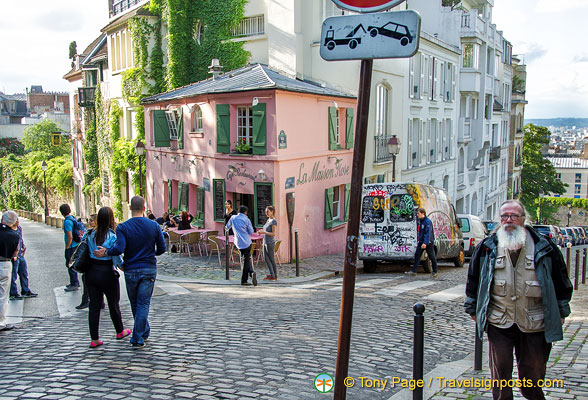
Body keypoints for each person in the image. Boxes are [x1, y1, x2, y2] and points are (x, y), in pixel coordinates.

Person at [465, 200, 573, 400]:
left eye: (514, 216)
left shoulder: (544, 246)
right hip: (499, 320)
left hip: (535, 321)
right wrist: (473, 308)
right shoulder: (488, 247)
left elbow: (561, 281)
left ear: (524, 219)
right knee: (500, 374)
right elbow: (474, 279)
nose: (509, 221)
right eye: (504, 216)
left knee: (531, 377)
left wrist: (561, 311)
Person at [93, 196, 166, 349]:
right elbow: (162, 248)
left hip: (131, 269)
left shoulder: (123, 227)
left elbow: (119, 249)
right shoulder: (153, 226)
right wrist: (151, 253)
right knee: (143, 303)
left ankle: (138, 336)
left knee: (135, 303)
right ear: (144, 208)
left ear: (131, 208)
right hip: (148, 268)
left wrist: (106, 251)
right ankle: (142, 332)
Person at [85, 207, 131, 348]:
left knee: (94, 306)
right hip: (106, 272)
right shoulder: (112, 236)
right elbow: (116, 259)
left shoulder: (89, 234)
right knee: (113, 304)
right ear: (112, 219)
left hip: (91, 272)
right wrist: (125, 268)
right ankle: (119, 331)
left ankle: (94, 339)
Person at [226, 205, 257, 286]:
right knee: (246, 260)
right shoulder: (246, 219)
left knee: (246, 260)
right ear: (245, 212)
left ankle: (251, 273)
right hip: (247, 242)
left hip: (238, 243)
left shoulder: (233, 218)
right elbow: (251, 231)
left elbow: (227, 227)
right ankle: (245, 279)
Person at [9, 217, 37, 300]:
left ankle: (25, 290)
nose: (18, 221)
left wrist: (23, 247)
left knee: (24, 273)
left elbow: (21, 239)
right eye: (16, 220)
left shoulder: (19, 228)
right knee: (13, 275)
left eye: (18, 219)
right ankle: (13, 293)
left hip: (20, 254)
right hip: (14, 256)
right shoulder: (9, 231)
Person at [0, 211, 20, 332]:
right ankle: (1, 322)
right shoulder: (14, 235)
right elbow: (15, 253)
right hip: (4, 263)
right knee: (2, 295)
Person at [406, 207, 438, 278]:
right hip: (421, 241)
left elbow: (428, 233)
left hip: (428, 242)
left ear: (423, 213)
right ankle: (414, 271)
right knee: (417, 255)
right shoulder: (421, 221)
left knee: (431, 256)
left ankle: (435, 271)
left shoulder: (427, 222)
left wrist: (425, 243)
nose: (417, 215)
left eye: (418, 213)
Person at [76, 214, 98, 310]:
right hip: (91, 260)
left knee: (87, 282)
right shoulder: (90, 232)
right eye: (89, 220)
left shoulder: (91, 233)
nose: (90, 222)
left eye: (92, 220)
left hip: (91, 260)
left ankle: (86, 301)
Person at [60, 204, 83, 293]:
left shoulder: (67, 222)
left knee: (70, 264)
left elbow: (70, 236)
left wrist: (67, 247)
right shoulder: (72, 218)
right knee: (72, 264)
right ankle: (74, 282)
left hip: (71, 246)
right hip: (76, 244)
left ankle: (74, 283)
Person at [261, 206, 278, 281]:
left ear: (272, 211)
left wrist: (264, 232)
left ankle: (273, 275)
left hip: (270, 242)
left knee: (271, 259)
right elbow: (266, 230)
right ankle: (273, 274)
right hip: (265, 242)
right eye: (265, 211)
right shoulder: (269, 220)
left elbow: (273, 233)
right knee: (266, 258)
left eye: (267, 211)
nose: (266, 213)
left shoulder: (273, 221)